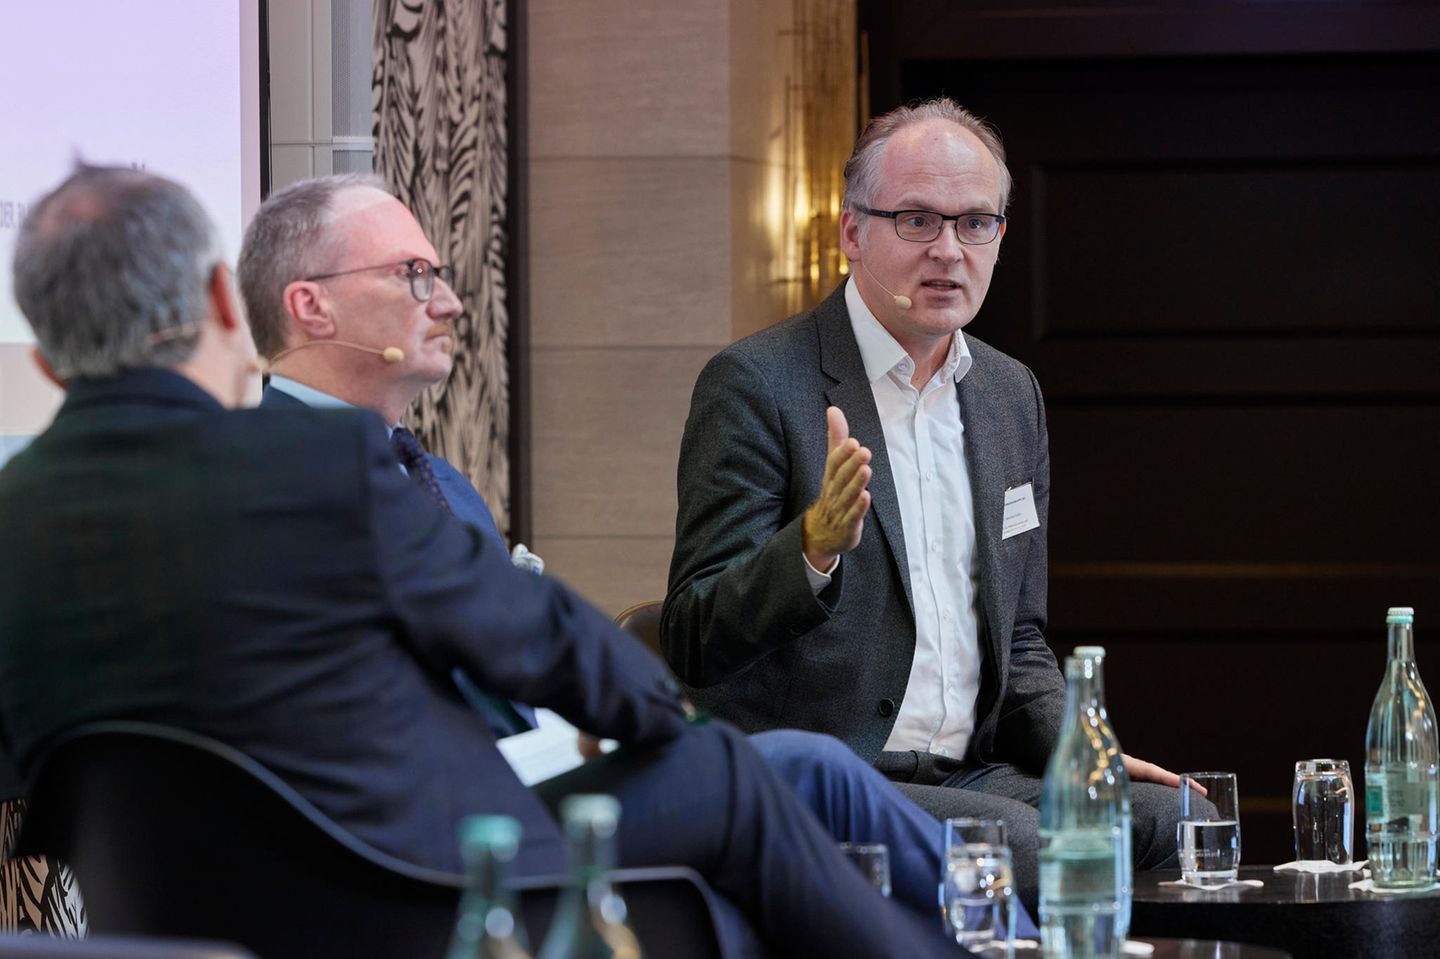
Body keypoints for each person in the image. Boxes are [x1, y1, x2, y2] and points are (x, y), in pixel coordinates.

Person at [0, 163, 968, 957]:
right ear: (223, 296)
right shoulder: (317, 461)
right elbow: (537, 638)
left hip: (180, 922)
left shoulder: (12, 514)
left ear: (46, 361)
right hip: (422, 893)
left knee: (735, 866)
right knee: (720, 765)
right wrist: (655, 711)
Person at [234, 171, 1024, 931]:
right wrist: (614, 717)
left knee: (769, 850)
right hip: (441, 826)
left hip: (529, 779)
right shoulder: (280, 479)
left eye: (438, 274)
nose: (448, 301)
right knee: (802, 770)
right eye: (412, 276)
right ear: (312, 306)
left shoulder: (429, 477)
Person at [662, 97, 1185, 899]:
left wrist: (1086, 750)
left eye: (976, 223)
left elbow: (1022, 640)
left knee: (1177, 818)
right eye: (916, 220)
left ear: (1000, 237)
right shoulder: (758, 384)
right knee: (1028, 843)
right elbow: (694, 637)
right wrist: (811, 548)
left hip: (974, 773)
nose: (949, 250)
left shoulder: (1013, 395)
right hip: (832, 773)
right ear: (852, 233)